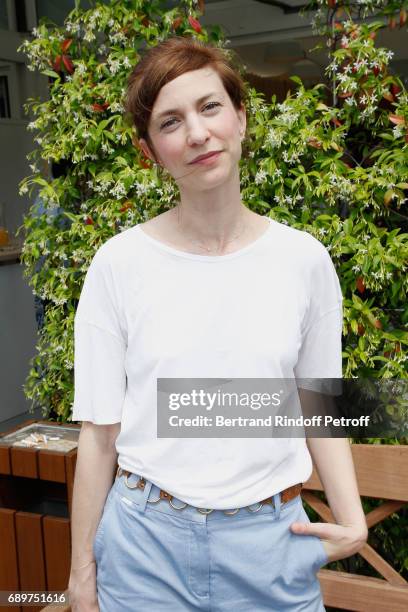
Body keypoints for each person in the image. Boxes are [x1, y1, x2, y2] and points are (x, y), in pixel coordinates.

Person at [68, 36, 368, 611]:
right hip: (144, 547)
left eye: (210, 107)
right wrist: (82, 575)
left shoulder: (303, 261)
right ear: (150, 150)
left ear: (241, 118)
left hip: (273, 545)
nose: (198, 133)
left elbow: (319, 403)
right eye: (170, 122)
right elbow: (99, 433)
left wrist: (352, 517)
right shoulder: (118, 265)